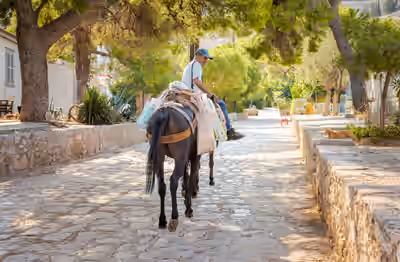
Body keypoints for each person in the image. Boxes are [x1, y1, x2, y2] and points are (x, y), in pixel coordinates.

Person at [182, 48, 243, 141]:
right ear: (197, 56)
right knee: (221, 104)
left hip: (186, 93)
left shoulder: (189, 65)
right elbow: (196, 81)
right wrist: (210, 94)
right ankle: (228, 131)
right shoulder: (197, 65)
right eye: (204, 58)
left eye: (207, 59)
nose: (206, 61)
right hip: (193, 95)